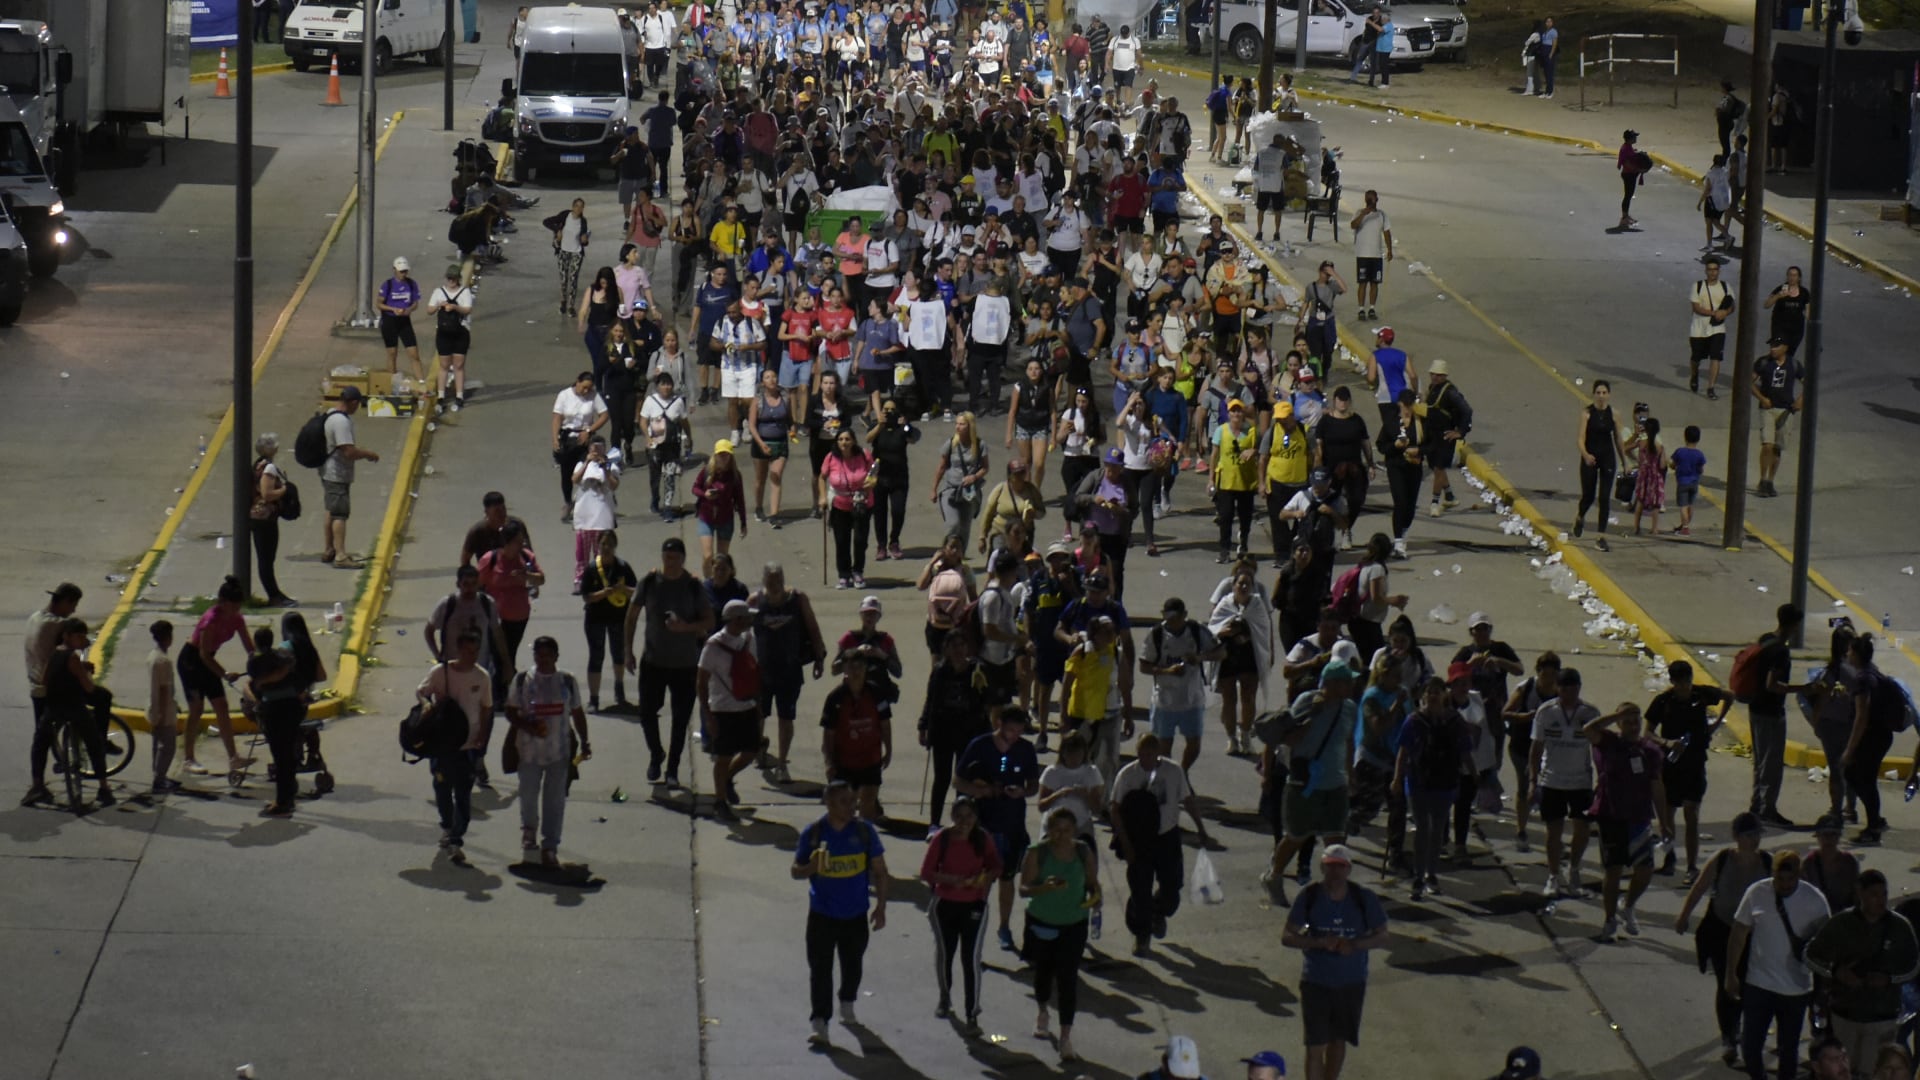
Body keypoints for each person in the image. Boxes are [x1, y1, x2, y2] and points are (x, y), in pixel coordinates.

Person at [793, 780, 890, 1047]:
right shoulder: (813, 834)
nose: (852, 807)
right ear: (828, 803)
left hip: (855, 915)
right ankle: (820, 1022)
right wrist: (810, 868)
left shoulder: (864, 832)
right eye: (844, 802)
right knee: (820, 970)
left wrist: (881, 906)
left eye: (853, 801)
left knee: (852, 965)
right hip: (822, 915)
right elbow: (795, 870)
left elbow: (881, 871)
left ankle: (847, 1000)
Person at [1675, 812, 1775, 1069]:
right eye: (1748, 835)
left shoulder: (1767, 863)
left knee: (1748, 984)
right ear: (1736, 837)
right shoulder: (1721, 860)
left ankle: (1739, 1028)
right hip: (1721, 930)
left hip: (1753, 934)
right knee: (1726, 982)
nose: (1754, 841)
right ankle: (1729, 1036)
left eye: (1757, 835)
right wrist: (1684, 916)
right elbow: (1699, 887)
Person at [1282, 844, 1389, 1080]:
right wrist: (1320, 943)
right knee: (1315, 1046)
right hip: (1316, 982)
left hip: (1351, 982)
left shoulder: (1364, 898)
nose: (1335, 872)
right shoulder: (1309, 897)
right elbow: (1287, 936)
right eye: (1330, 867)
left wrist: (1355, 945)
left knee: (1338, 1042)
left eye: (1340, 867)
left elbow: (1382, 935)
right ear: (1322, 868)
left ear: (1348, 870)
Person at [1725, 850, 1830, 1080]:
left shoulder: (1815, 900)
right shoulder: (1757, 892)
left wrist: (1823, 987)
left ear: (1799, 875)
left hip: (1796, 989)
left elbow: (1827, 944)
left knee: (1788, 1050)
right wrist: (1730, 973)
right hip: (1758, 984)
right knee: (1750, 1046)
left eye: (1790, 879)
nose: (1784, 885)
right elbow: (1739, 932)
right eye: (1779, 879)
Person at [624, 536, 716, 787]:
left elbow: (709, 621)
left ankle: (673, 768)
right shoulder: (650, 582)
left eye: (675, 558)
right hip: (653, 661)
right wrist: (628, 651)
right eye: (667, 558)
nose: (670, 563)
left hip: (684, 664)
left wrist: (686, 627)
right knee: (646, 712)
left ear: (683, 559)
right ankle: (656, 754)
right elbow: (631, 617)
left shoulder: (693, 586)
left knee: (680, 719)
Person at [1806, 869, 1920, 1068]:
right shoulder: (1841, 923)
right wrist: (1834, 972)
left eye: (1884, 894)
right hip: (1844, 1015)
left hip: (1883, 1017)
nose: (1881, 900)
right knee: (1843, 1072)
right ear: (1860, 893)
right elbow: (1810, 955)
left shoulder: (1900, 927)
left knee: (1873, 1071)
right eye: (1874, 894)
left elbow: (1913, 966)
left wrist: (1889, 979)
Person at [1110, 732, 1210, 956]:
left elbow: (1187, 800)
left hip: (1167, 837)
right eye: (1141, 755)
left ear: (1158, 754)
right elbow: (1115, 809)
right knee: (1141, 888)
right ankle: (1142, 934)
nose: (1144, 759)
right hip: (1139, 839)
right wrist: (1125, 842)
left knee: (1171, 890)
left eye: (1149, 754)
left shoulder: (1173, 771)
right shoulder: (1127, 775)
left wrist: (1201, 828)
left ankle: (1158, 911)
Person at [957, 707, 1042, 952]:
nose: (1014, 735)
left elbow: (1033, 785)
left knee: (1007, 879)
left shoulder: (1025, 750)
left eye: (1019, 731)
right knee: (981, 883)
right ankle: (974, 933)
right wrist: (981, 791)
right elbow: (959, 779)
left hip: (1012, 825)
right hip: (983, 826)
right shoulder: (980, 745)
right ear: (999, 723)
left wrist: (1023, 792)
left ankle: (1004, 927)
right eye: (1010, 730)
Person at [1020, 806, 1099, 1065]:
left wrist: (1096, 897)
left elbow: (1091, 883)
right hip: (1043, 922)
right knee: (1043, 973)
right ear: (1048, 830)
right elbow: (1024, 889)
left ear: (1075, 831)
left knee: (1068, 979)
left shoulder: (1083, 852)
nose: (1061, 835)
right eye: (1056, 829)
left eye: (1067, 830)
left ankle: (1065, 1037)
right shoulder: (1037, 852)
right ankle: (1042, 1010)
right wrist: (1044, 887)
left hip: (1074, 924)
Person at [1584, 700, 1667, 941]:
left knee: (1645, 869)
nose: (1633, 726)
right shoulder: (1608, 741)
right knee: (1613, 871)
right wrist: (1615, 714)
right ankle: (1609, 919)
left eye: (1636, 721)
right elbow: (1589, 730)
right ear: (1619, 723)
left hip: (1639, 816)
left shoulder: (1649, 751)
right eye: (1627, 721)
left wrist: (1664, 820)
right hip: (1611, 814)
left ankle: (1628, 905)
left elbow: (1656, 785)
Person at [1647, 660, 1735, 882]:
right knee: (1668, 817)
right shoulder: (1663, 701)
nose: (1685, 687)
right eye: (1680, 683)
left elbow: (1729, 696)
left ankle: (1692, 867)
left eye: (1687, 681)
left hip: (1695, 763)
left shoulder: (1702, 695)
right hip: (1671, 764)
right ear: (1673, 682)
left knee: (1691, 815)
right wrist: (1666, 742)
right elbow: (1648, 732)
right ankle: (1669, 859)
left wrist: (1715, 726)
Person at [506, 636, 590, 867]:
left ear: (556, 657)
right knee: (529, 795)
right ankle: (529, 830)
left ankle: (550, 844)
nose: (542, 660)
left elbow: (577, 712)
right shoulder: (523, 680)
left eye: (546, 655)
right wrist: (528, 727)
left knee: (555, 800)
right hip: (529, 752)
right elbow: (511, 711)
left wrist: (585, 741)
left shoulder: (567, 681)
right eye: (538, 655)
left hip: (559, 752)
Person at [921, 795, 1003, 1032]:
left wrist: (984, 878)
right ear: (952, 817)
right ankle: (945, 996)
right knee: (945, 953)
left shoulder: (983, 838)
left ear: (976, 817)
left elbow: (995, 866)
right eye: (959, 816)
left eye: (969, 816)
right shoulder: (942, 839)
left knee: (971, 959)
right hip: (945, 904)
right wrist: (951, 880)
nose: (964, 821)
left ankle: (972, 1012)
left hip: (974, 904)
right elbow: (927, 872)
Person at [417, 629, 493, 866]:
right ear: (458, 650)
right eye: (467, 651)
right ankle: (447, 826)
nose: (471, 656)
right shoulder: (441, 672)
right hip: (442, 745)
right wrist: (426, 704)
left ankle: (456, 838)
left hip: (468, 746)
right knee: (442, 788)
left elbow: (486, 708)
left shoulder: (482, 677)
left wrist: (482, 735)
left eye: (475, 651)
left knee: (463, 795)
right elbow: (422, 692)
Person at [749, 562, 825, 787]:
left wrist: (819, 657)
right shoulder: (754, 602)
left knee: (786, 717)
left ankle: (782, 763)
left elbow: (813, 628)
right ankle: (759, 747)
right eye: (770, 581)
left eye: (778, 581)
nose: (775, 586)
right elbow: (738, 630)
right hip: (761, 671)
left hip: (789, 670)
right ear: (764, 581)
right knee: (758, 715)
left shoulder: (797, 599)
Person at [1395, 677, 1471, 900]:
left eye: (1437, 691)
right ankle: (1418, 876)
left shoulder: (1455, 721)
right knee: (1422, 828)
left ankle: (1431, 874)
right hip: (1418, 782)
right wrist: (1397, 779)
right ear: (1423, 696)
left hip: (1445, 783)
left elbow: (1465, 751)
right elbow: (1403, 752)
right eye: (1429, 691)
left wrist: (1476, 777)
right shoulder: (1413, 721)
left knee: (1437, 830)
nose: (1433, 695)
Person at [176, 576, 258, 777]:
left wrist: (259, 661)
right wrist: (224, 674)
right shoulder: (210, 620)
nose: (236, 610)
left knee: (221, 705)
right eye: (233, 606)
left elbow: (249, 646)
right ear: (223, 603)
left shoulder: (237, 618)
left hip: (208, 661)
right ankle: (188, 758)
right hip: (192, 661)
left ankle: (233, 757)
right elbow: (202, 654)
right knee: (197, 708)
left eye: (239, 606)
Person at [1531, 666, 1599, 898]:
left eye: (1573, 688)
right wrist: (1533, 780)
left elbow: (1598, 748)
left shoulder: (1590, 713)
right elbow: (1536, 747)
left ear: (1579, 688)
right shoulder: (1545, 712)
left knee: (1582, 829)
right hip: (1552, 779)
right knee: (1553, 831)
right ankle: (1553, 875)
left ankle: (1574, 869)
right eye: (1564, 688)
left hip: (1580, 781)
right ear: (1557, 688)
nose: (1568, 693)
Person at [1140, 597, 1223, 771]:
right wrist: (1166, 671)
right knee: (1163, 745)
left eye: (1175, 618)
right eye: (1168, 618)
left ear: (1184, 615)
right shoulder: (1156, 634)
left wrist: (1199, 658)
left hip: (1192, 698)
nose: (1171, 622)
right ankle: (1167, 775)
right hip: (1165, 700)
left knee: (1194, 742)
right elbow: (1144, 666)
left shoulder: (1196, 630)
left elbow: (1221, 652)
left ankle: (1182, 771)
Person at [700, 599, 764, 821]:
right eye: (746, 617)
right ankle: (720, 801)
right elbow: (701, 681)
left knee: (751, 751)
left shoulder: (749, 639)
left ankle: (727, 779)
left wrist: (758, 706)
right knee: (723, 756)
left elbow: (754, 670)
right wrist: (707, 715)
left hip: (746, 705)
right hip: (723, 709)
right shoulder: (713, 646)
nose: (750, 621)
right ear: (736, 620)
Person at [1745, 603, 1805, 827]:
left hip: (1755, 709)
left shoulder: (1765, 639)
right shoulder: (1780, 651)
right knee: (1771, 764)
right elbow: (1773, 684)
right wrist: (1803, 688)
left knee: (1760, 761)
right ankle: (1767, 809)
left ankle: (1756, 805)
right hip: (1770, 712)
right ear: (1794, 624)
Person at [476, 523, 544, 713]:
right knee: (499, 656)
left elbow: (541, 579)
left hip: (519, 615)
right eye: (517, 541)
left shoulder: (526, 557)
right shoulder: (490, 560)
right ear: (506, 542)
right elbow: (477, 585)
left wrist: (527, 575)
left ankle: (506, 693)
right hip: (495, 617)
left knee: (510, 652)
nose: (521, 544)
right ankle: (499, 695)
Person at [318, 386, 380, 568]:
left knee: (330, 509)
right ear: (352, 402)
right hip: (336, 473)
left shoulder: (331, 413)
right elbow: (349, 451)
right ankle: (340, 556)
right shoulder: (341, 422)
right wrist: (369, 454)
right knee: (340, 514)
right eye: (357, 404)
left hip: (328, 471)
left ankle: (329, 549)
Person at [578, 530, 637, 712]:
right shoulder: (591, 568)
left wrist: (622, 588)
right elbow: (586, 596)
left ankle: (619, 692)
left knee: (618, 655)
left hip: (618, 618)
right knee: (596, 656)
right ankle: (593, 699)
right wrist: (603, 594)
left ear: (615, 546)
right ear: (598, 546)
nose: (606, 548)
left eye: (610, 544)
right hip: (595, 619)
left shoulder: (623, 567)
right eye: (603, 544)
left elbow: (635, 592)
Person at [1572, 379, 1627, 552]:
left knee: (1604, 498)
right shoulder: (1587, 413)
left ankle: (1601, 537)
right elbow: (1580, 438)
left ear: (1609, 395)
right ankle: (1580, 517)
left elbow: (1618, 440)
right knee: (1588, 496)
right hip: (1590, 457)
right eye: (1598, 393)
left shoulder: (1614, 414)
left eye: (1604, 393)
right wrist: (1586, 455)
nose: (1601, 396)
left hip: (1607, 457)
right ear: (1594, 394)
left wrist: (1625, 462)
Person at [821, 426, 878, 589]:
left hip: (862, 503)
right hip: (840, 504)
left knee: (860, 540)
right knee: (841, 541)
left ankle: (858, 571)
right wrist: (822, 497)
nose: (844, 442)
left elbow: (873, 472)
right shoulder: (831, 457)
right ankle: (844, 574)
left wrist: (872, 482)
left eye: (847, 439)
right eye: (840, 439)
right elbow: (822, 477)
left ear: (853, 441)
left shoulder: (864, 455)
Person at [1752, 336, 1803, 499]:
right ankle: (1762, 478)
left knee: (1777, 447)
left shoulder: (1794, 365)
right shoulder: (1764, 363)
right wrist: (1762, 398)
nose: (1772, 349)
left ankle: (1770, 481)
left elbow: (1808, 383)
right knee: (1767, 443)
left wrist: (1800, 401)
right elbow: (1748, 381)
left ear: (1785, 348)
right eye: (1771, 346)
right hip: (1768, 408)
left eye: (1776, 346)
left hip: (1786, 410)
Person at [692, 439, 749, 579]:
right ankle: (708, 583)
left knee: (721, 559)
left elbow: (740, 500)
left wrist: (743, 522)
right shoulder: (706, 471)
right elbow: (695, 488)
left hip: (726, 519)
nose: (723, 457)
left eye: (726, 454)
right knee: (708, 555)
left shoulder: (735, 475)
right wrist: (705, 494)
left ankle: (720, 582)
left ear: (731, 456)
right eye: (720, 454)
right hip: (706, 517)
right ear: (715, 455)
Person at [428, 266, 476, 409]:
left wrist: (455, 307)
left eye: (453, 278)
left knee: (459, 365)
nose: (451, 281)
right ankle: (441, 395)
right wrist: (439, 305)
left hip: (460, 332)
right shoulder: (438, 292)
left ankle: (459, 395)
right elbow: (429, 310)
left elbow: (468, 309)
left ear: (458, 279)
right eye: (449, 278)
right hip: (443, 333)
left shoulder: (465, 292)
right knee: (443, 365)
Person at [1688, 257, 1734, 398]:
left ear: (1719, 271)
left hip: (1717, 329)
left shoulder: (1726, 287)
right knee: (1696, 358)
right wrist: (1715, 313)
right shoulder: (1697, 286)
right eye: (1710, 269)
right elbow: (1696, 308)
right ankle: (1694, 374)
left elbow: (1732, 305)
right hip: (1699, 329)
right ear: (1706, 271)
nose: (1713, 272)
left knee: (1716, 357)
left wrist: (1725, 312)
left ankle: (1711, 387)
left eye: (1715, 269)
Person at [144, 620, 181, 796]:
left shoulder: (153, 656)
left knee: (157, 744)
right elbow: (165, 689)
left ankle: (159, 775)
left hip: (153, 706)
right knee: (168, 746)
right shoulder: (163, 661)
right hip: (164, 708)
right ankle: (159, 780)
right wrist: (166, 712)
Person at [377, 256, 425, 385]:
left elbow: (415, 303)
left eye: (405, 271)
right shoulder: (388, 285)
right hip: (389, 321)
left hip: (404, 321)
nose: (403, 274)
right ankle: (392, 383)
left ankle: (421, 381)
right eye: (401, 271)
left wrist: (409, 309)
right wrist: (392, 309)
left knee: (414, 353)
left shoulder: (411, 284)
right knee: (392, 353)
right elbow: (379, 304)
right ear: (394, 270)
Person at [1348, 191, 1392, 322]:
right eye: (1368, 199)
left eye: (1372, 199)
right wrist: (1364, 213)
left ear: (1377, 200)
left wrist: (1389, 249)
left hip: (1376, 255)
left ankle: (1372, 308)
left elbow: (1386, 232)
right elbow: (1353, 225)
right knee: (1362, 283)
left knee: (1374, 283)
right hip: (1362, 255)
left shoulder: (1382, 215)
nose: (1370, 202)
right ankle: (1361, 309)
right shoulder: (1358, 213)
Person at [1617, 130, 1645, 229]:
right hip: (1629, 175)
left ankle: (1626, 216)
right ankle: (1624, 218)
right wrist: (1638, 169)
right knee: (1628, 196)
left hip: (1630, 174)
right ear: (1630, 139)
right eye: (1634, 137)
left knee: (1628, 196)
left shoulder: (1628, 147)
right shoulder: (1626, 148)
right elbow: (1627, 162)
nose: (1636, 138)